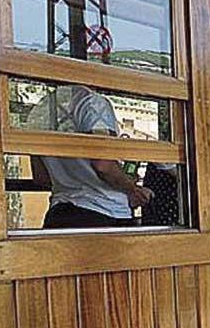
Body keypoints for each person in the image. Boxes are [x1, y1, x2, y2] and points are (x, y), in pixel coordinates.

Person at [26, 84, 153, 228]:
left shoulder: (39, 112)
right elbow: (103, 164)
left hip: (58, 215)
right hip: (104, 212)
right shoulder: (93, 102)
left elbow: (41, 177)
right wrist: (131, 189)